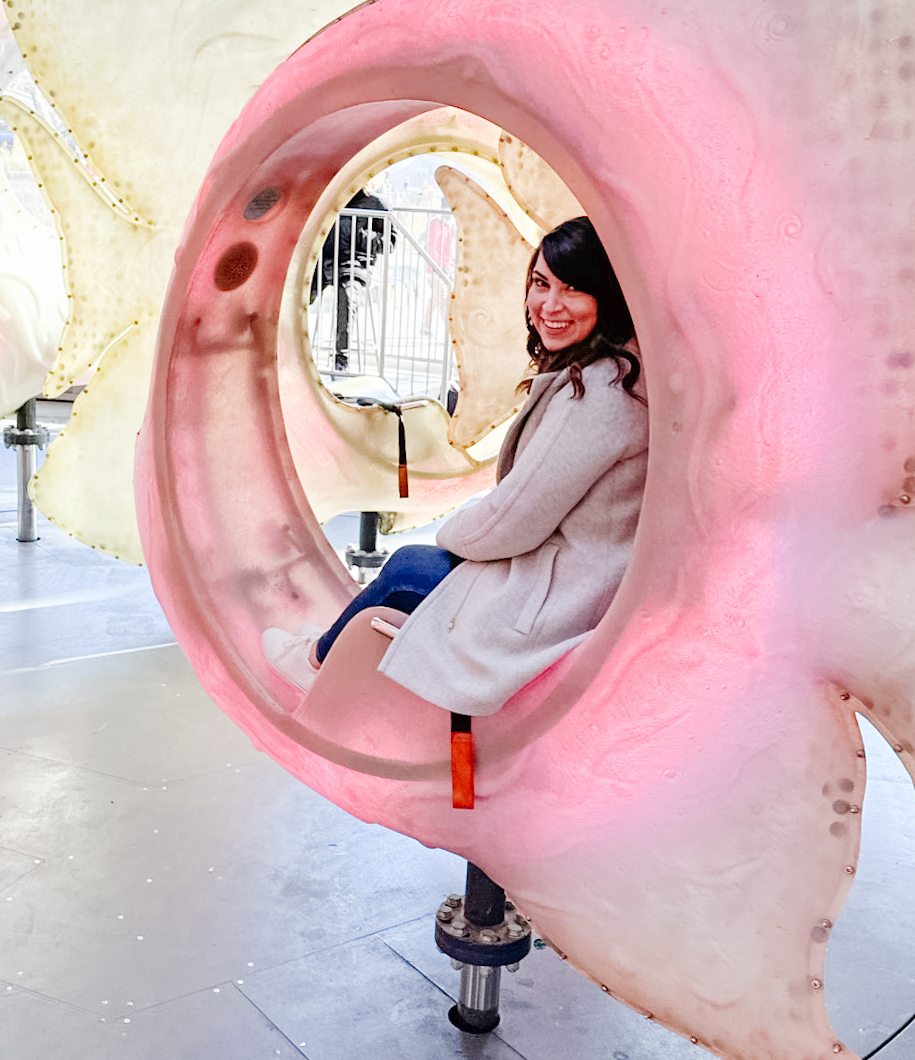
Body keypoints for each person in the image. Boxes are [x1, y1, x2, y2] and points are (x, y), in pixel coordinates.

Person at [262, 215, 649, 717]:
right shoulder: (618, 375)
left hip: (558, 598)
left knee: (408, 568)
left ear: (609, 297)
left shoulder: (595, 397)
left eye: (574, 289)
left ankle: (312, 663)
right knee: (416, 567)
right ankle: (318, 654)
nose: (550, 307)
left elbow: (512, 523)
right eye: (540, 284)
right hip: (572, 580)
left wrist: (456, 534)